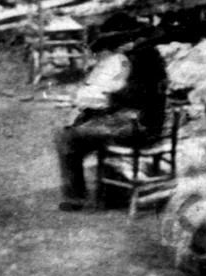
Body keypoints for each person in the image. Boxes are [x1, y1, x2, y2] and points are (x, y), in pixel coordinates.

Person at [58, 35, 169, 209]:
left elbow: (126, 97)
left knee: (68, 137)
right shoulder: (149, 62)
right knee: (83, 127)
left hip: (137, 127)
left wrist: (105, 96)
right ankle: (111, 193)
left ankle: (76, 197)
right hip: (143, 124)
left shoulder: (138, 66)